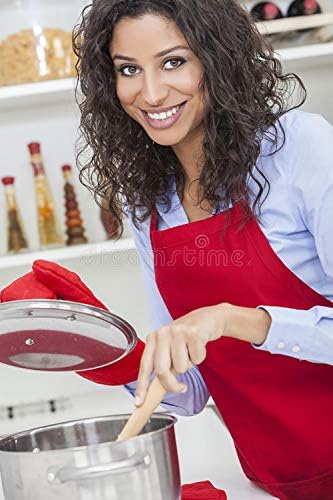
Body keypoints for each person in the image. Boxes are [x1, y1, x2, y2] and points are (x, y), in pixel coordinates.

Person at [73, 1, 333, 498]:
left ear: (217, 59)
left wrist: (230, 320)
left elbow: (217, 325)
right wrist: (103, 348)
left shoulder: (300, 150)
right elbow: (186, 393)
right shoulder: (147, 201)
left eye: (174, 62)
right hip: (274, 480)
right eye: (129, 70)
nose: (150, 93)